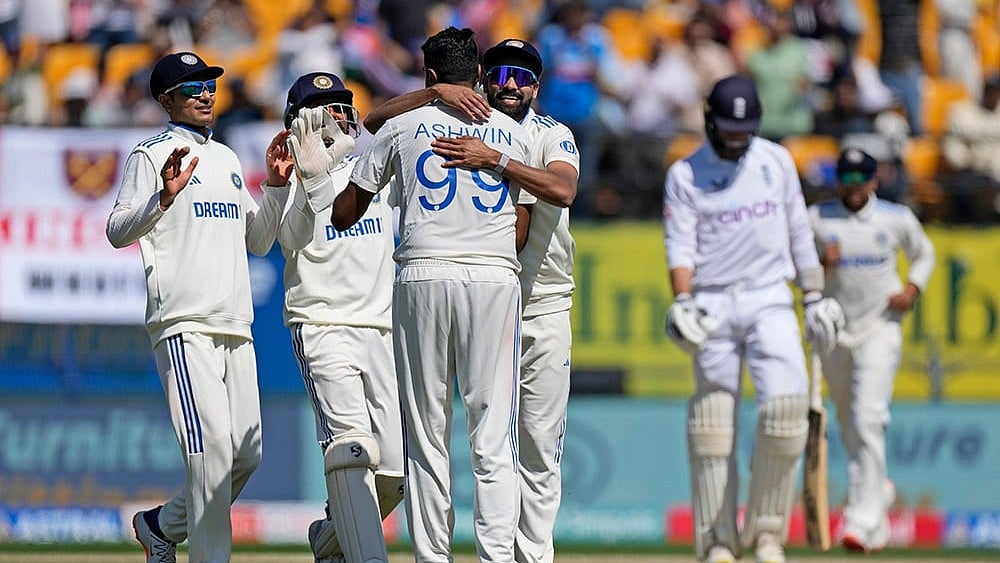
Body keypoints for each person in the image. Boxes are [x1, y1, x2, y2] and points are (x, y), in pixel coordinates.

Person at [365, 38, 580, 563]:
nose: (511, 84)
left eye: (523, 76)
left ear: (537, 85)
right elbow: (374, 123)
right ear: (484, 74)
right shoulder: (459, 117)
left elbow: (562, 191)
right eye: (502, 72)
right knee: (475, 434)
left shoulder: (551, 134)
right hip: (488, 298)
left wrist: (496, 159)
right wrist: (433, 90)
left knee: (537, 446)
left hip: (543, 303)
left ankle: (533, 555)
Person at [331, 26, 534, 562]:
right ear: (479, 74)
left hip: (422, 273)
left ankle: (432, 557)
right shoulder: (513, 132)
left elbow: (344, 211)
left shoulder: (402, 124)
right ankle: (495, 555)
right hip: (493, 277)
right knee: (493, 432)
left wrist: (424, 101)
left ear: (430, 75)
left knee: (426, 430)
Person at [106, 51, 290, 563]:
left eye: (208, 85)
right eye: (192, 88)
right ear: (166, 100)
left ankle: (162, 526)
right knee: (209, 456)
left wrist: (274, 188)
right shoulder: (150, 154)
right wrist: (161, 199)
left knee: (244, 456)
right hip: (184, 321)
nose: (206, 94)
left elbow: (257, 241)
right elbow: (117, 231)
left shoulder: (228, 158)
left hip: (236, 322)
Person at [662, 75, 844, 563]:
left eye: (746, 131)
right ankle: (717, 539)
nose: (738, 141)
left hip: (770, 298)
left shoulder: (775, 160)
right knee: (713, 422)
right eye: (729, 131)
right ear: (708, 121)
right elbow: (679, 246)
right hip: (713, 302)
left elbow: (798, 230)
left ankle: (767, 535)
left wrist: (813, 296)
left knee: (786, 412)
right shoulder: (684, 174)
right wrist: (683, 301)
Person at [268, 71, 404, 563]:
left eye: (344, 105)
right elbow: (290, 240)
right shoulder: (289, 174)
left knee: (395, 471)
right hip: (323, 325)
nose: (341, 114)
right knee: (351, 449)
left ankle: (329, 542)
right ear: (301, 120)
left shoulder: (373, 168)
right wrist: (309, 180)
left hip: (382, 328)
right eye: (327, 106)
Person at [808, 148, 935, 553]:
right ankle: (877, 496)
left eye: (861, 179)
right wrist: (818, 262)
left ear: (874, 181)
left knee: (868, 419)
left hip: (881, 327)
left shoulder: (895, 218)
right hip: (835, 333)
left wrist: (912, 287)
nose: (854, 187)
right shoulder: (817, 218)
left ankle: (860, 522)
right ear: (838, 181)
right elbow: (795, 272)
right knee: (848, 421)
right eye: (846, 179)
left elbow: (924, 253)